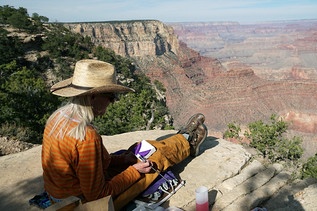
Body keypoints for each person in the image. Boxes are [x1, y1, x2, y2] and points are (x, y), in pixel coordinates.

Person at [41, 59, 208, 210]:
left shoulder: (56, 119)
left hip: (61, 198)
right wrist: (135, 171)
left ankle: (183, 138)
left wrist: (123, 160)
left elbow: (93, 163)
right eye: (111, 96)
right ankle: (188, 142)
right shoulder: (86, 136)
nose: (112, 102)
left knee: (138, 149)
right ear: (92, 97)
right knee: (155, 161)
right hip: (82, 205)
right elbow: (98, 196)